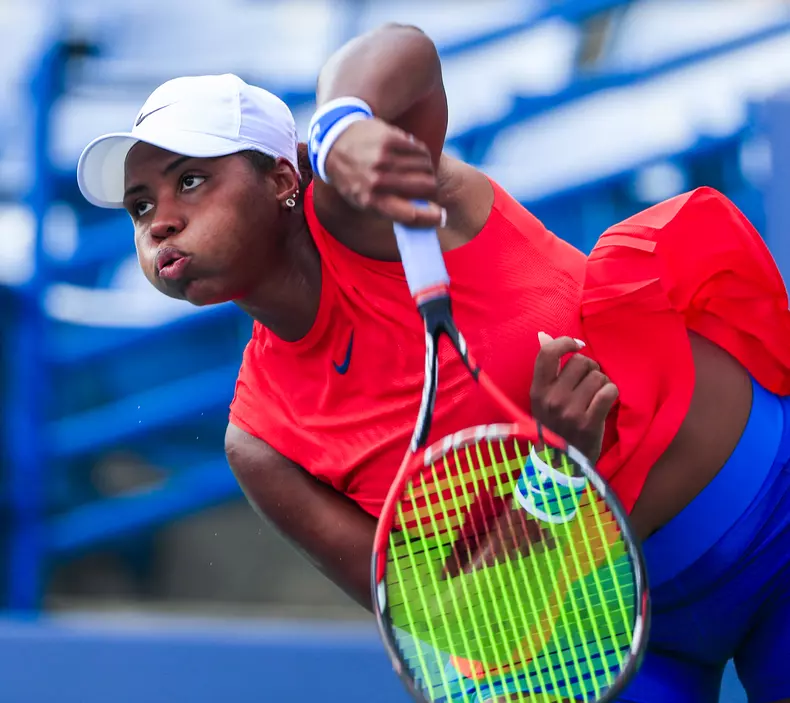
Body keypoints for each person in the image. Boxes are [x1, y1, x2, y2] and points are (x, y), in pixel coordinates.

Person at [76, 23, 790, 703]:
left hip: (772, 519)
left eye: (190, 182)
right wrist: (553, 474)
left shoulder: (380, 211)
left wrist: (342, 127)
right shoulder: (259, 441)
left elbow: (407, 56)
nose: (159, 219)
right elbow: (444, 623)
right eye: (141, 207)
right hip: (616, 645)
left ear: (281, 178)